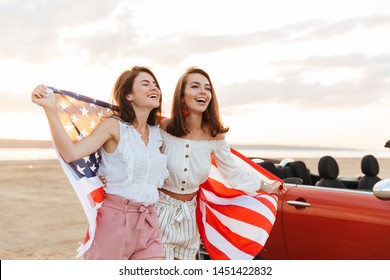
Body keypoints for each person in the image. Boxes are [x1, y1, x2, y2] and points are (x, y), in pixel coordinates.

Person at [31, 66, 169, 260]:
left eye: (156, 84)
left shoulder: (158, 132)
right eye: (146, 84)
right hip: (115, 221)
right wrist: (50, 109)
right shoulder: (114, 126)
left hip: (148, 221)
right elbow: (72, 153)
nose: (154, 88)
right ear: (128, 95)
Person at [157, 66, 285, 260]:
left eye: (207, 88)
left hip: (190, 214)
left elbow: (232, 171)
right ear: (181, 96)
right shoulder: (163, 128)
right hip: (158, 211)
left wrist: (266, 186)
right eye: (195, 86)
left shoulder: (215, 136)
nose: (203, 92)